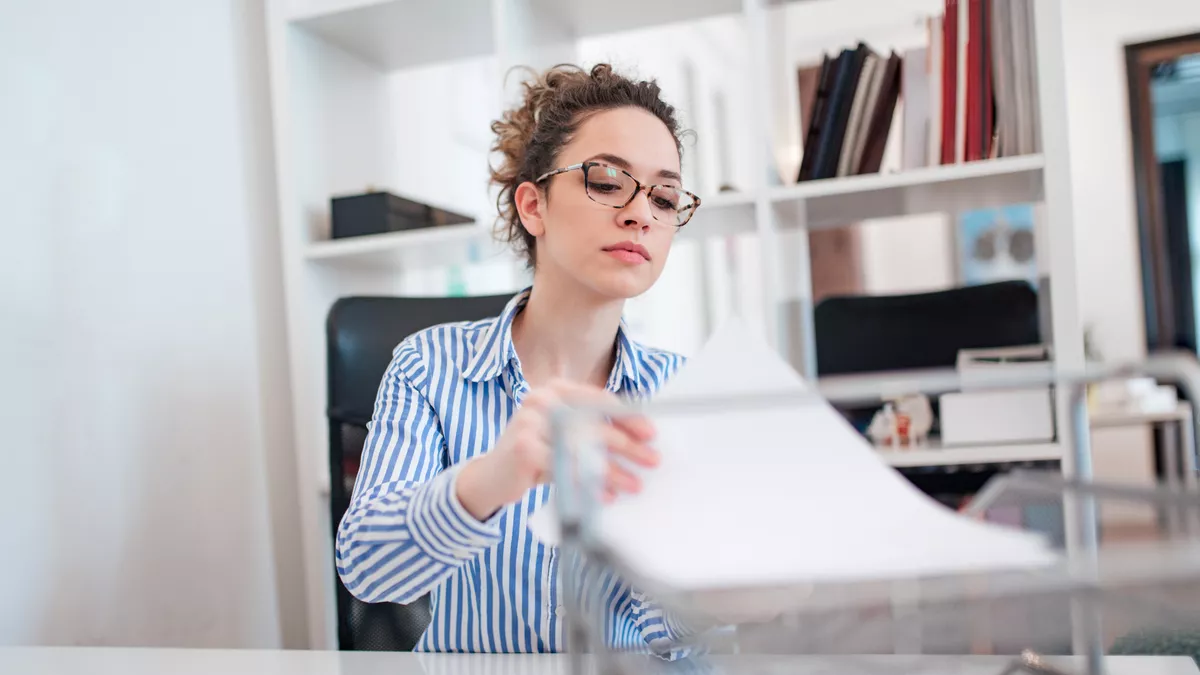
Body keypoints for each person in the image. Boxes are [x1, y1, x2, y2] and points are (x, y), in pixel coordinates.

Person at [335, 63, 702, 655]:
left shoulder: (681, 390)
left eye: (665, 196)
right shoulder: (428, 367)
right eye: (608, 181)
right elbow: (369, 571)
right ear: (534, 207)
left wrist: (725, 596)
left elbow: (670, 638)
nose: (643, 214)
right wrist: (490, 480)